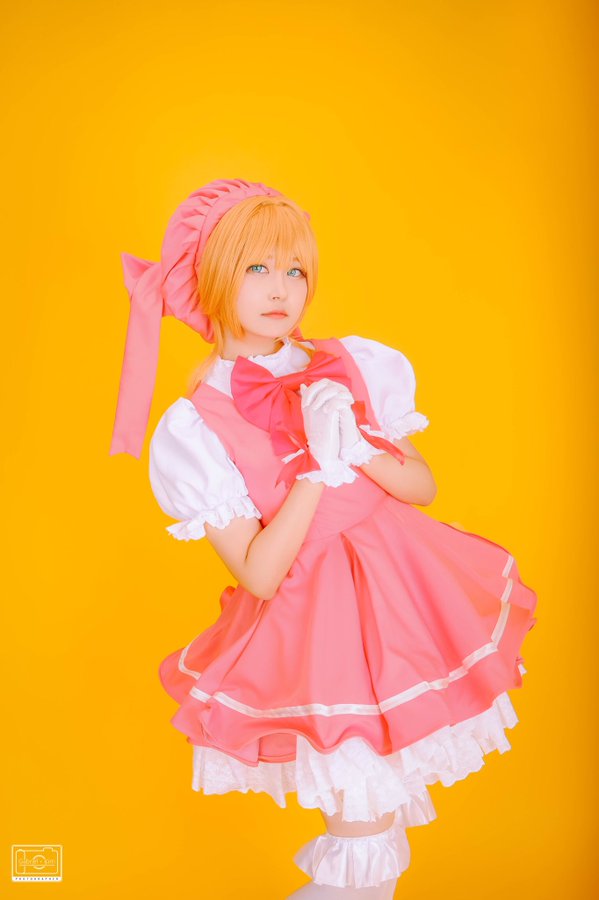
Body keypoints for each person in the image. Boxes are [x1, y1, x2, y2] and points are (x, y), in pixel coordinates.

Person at [110, 178, 538, 898]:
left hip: (403, 608)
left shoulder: (350, 363)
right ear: (212, 277)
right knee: (363, 837)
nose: (281, 288)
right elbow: (258, 573)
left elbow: (421, 486)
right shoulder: (197, 425)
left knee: (385, 833)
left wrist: (358, 444)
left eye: (295, 270)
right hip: (320, 636)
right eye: (257, 267)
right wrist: (316, 465)